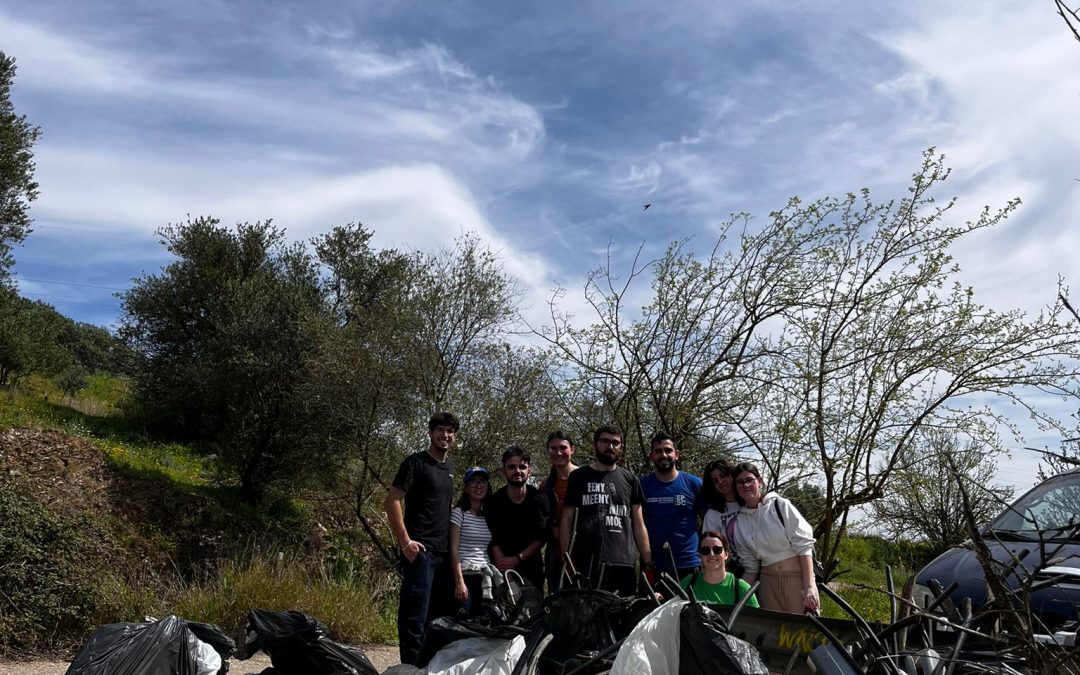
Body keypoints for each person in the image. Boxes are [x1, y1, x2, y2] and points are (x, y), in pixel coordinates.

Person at [383, 412, 459, 665]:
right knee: (414, 616)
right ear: (430, 433)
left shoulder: (449, 468)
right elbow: (391, 501)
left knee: (436, 619)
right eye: (439, 430)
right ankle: (410, 669)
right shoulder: (415, 463)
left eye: (449, 431)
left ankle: (428, 667)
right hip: (420, 552)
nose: (444, 435)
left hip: (443, 553)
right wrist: (405, 542)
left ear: (454, 436)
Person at [560, 425, 652, 596]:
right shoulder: (579, 477)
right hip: (587, 563)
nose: (610, 446)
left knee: (623, 620)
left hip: (624, 564)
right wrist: (567, 560)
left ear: (621, 448)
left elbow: (639, 525)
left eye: (615, 443)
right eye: (605, 441)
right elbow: (566, 521)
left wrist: (647, 564)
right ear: (594, 445)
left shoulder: (631, 480)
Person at [730, 462, 819, 614]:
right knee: (774, 632)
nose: (745, 485)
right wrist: (736, 597)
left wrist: (809, 586)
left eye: (749, 480)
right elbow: (751, 567)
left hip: (797, 581)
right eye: (740, 482)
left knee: (803, 633)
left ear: (759, 481)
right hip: (767, 585)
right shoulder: (739, 522)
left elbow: (804, 546)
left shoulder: (779, 505)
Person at [485, 446, 550, 592]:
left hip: (532, 568)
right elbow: (492, 538)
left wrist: (517, 559)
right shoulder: (493, 502)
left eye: (522, 466)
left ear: (529, 471)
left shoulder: (540, 499)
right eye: (512, 467)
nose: (517, 471)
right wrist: (505, 571)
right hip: (501, 570)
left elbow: (542, 537)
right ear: (503, 471)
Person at [640, 432, 702, 581]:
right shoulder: (641, 485)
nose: (664, 455)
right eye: (658, 451)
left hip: (690, 564)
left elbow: (710, 520)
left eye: (668, 450)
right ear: (651, 455)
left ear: (677, 454)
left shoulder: (694, 484)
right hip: (654, 566)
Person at [450, 466, 494, 618]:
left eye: (482, 482)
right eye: (473, 482)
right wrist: (459, 582)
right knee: (464, 620)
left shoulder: (488, 515)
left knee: (484, 621)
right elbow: (453, 549)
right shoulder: (459, 513)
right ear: (466, 487)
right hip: (466, 575)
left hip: (486, 576)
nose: (478, 486)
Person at [539, 429, 578, 592]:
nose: (558, 452)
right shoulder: (545, 486)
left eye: (563, 448)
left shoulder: (585, 478)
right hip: (556, 555)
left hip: (582, 553)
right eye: (553, 448)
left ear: (572, 449)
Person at [680, 531, 759, 607]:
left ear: (726, 554)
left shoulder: (742, 588)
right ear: (700, 556)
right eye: (705, 550)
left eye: (717, 550)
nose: (711, 554)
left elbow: (755, 620)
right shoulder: (688, 583)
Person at [700, 458, 741, 535]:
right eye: (715, 480)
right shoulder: (712, 515)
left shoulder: (749, 502)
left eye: (723, 476)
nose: (720, 481)